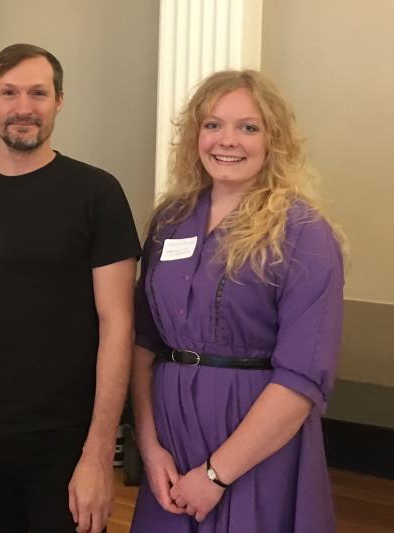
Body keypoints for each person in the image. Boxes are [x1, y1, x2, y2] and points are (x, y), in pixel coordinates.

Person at [0, 43, 142, 533]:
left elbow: (118, 322)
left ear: (59, 100)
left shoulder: (96, 194)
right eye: (10, 93)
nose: (23, 108)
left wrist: (100, 453)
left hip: (64, 439)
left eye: (38, 93)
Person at [130, 69, 346, 532]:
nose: (227, 140)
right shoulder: (170, 220)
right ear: (195, 135)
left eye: (248, 127)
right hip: (169, 443)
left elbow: (302, 378)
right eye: (213, 125)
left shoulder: (304, 233)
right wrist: (149, 448)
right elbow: (143, 342)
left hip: (254, 450)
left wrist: (215, 474)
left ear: (274, 140)